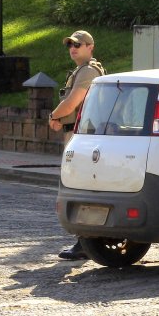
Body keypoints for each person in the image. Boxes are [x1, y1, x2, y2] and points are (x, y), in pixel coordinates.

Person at [51, 30, 106, 261]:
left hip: (83, 137)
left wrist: (54, 116)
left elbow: (73, 102)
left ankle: (86, 241)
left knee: (80, 188)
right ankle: (86, 241)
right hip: (81, 136)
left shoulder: (88, 71)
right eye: (70, 45)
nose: (73, 48)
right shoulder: (82, 70)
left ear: (90, 47)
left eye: (78, 44)